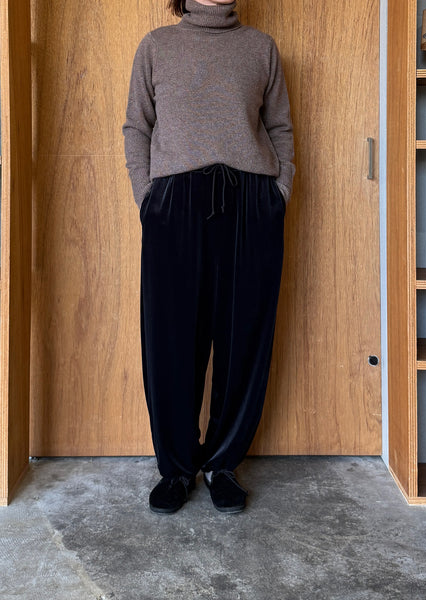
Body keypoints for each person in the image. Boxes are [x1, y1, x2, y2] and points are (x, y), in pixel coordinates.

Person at [122, 0, 295, 514]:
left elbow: (280, 128)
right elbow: (137, 127)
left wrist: (278, 193)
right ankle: (176, 469)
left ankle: (222, 464)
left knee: (244, 337)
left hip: (251, 204)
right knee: (171, 339)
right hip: (173, 206)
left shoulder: (261, 48)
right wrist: (147, 198)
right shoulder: (157, 46)